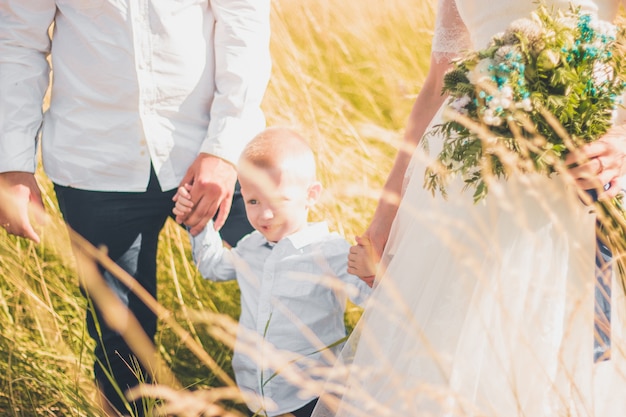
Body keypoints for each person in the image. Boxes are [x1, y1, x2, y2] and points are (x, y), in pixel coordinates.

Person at [310, 0, 626, 416]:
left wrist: (622, 143)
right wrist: (386, 214)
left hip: (578, 174)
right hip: (463, 180)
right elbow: (441, 78)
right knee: (446, 354)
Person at [0, 1, 271, 416]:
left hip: (210, 150)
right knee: (120, 336)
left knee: (289, 284)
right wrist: (14, 166)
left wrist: (224, 149)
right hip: (94, 161)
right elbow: (17, 39)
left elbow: (244, 25)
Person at [172, 127, 373, 417]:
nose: (264, 215)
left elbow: (373, 301)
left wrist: (371, 272)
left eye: (277, 201)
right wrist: (200, 225)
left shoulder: (328, 252)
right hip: (258, 391)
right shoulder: (251, 247)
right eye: (253, 201)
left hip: (312, 394)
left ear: (311, 195)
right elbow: (214, 267)